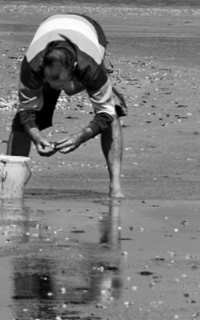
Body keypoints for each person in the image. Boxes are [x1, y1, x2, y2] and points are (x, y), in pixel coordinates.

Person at [7, 14, 126, 198]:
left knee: (112, 112)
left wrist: (81, 137)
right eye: (48, 78)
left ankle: (115, 186)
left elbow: (106, 113)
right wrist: (36, 136)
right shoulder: (32, 65)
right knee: (20, 123)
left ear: (73, 72)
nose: (51, 84)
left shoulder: (90, 68)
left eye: (56, 79)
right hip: (50, 27)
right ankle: (11, 182)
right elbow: (26, 110)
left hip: (89, 30)